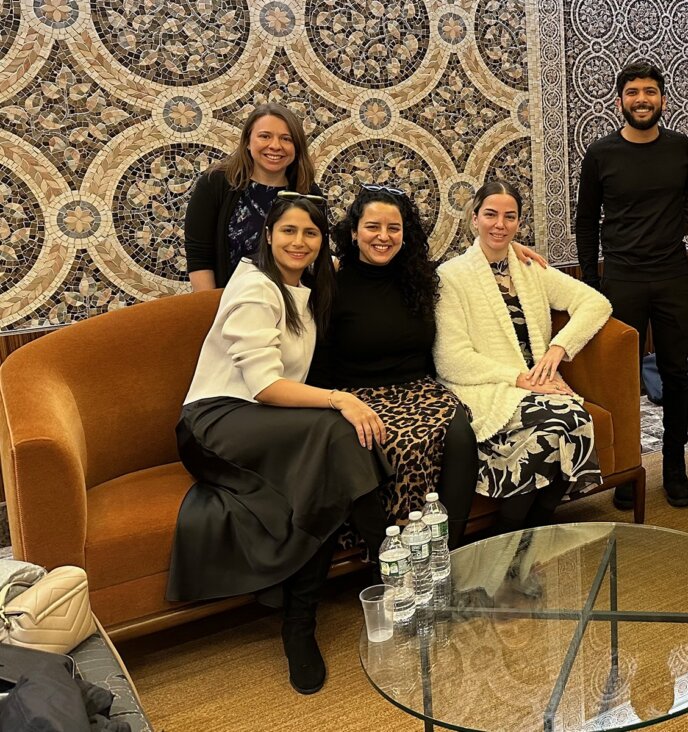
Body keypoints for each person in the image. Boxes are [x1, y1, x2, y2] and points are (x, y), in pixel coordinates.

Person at [167, 194, 392, 696]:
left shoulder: (302, 285)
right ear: (267, 235)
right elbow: (265, 386)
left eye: (310, 233)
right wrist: (341, 400)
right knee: (338, 431)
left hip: (261, 421)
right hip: (214, 423)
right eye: (288, 231)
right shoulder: (254, 288)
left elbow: (373, 253)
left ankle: (300, 622)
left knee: (326, 472)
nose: (299, 241)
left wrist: (514, 254)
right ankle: (389, 562)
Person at [306, 185, 478, 548]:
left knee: (461, 436)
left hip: (420, 388)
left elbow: (473, 268)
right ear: (354, 233)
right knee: (399, 444)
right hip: (358, 394)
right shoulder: (329, 282)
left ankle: (450, 552)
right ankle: (396, 558)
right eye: (372, 227)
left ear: (405, 233)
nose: (383, 237)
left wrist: (515, 251)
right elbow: (318, 356)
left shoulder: (420, 277)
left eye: (394, 228)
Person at [437, 181, 612, 534]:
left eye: (509, 217)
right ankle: (508, 537)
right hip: (486, 386)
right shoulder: (451, 276)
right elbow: (449, 359)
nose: (499, 224)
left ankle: (526, 538)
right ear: (474, 219)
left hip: (535, 384)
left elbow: (596, 303)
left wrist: (559, 348)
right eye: (490, 214)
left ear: (518, 224)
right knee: (557, 426)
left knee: (575, 419)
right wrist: (520, 379)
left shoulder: (530, 269)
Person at [575, 61, 688, 508]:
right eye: (632, 92)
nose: (641, 99)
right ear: (620, 100)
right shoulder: (601, 154)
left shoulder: (681, 149)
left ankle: (675, 467)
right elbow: (586, 221)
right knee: (621, 379)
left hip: (671, 276)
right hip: (621, 278)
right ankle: (628, 468)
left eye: (650, 91)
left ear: (663, 100)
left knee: (676, 375)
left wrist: (667, 230)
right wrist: (591, 282)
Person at [185, 103, 321, 291]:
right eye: (265, 136)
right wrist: (213, 313)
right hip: (230, 306)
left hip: (291, 306)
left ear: (297, 147)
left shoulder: (308, 192)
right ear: (248, 141)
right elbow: (199, 257)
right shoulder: (215, 184)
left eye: (286, 139)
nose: (275, 146)